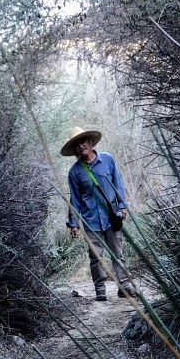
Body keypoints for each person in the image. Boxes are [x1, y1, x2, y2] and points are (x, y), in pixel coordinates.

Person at [62, 125, 137, 301]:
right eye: (76, 145)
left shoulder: (108, 160)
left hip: (112, 216)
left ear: (89, 141)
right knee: (96, 257)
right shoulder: (75, 172)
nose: (80, 146)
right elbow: (75, 199)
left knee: (118, 254)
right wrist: (73, 223)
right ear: (74, 150)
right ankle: (100, 289)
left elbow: (117, 184)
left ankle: (124, 286)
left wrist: (122, 206)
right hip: (91, 220)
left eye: (82, 141)